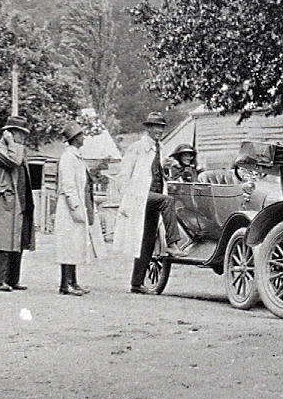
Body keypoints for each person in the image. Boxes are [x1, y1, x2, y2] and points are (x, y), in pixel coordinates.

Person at [113, 111, 185, 294]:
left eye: (161, 127)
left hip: (154, 197)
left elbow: (162, 175)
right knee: (168, 201)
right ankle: (173, 243)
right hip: (140, 197)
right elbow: (123, 174)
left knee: (147, 241)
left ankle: (136, 284)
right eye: (156, 127)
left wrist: (170, 169)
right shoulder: (137, 148)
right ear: (148, 129)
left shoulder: (161, 148)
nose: (159, 131)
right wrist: (126, 199)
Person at [0, 115, 35, 292]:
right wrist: (11, 143)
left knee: (19, 239)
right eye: (20, 133)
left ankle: (14, 279)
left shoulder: (17, 148)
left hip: (21, 198)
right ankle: (0, 280)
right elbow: (14, 162)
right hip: (6, 200)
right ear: (10, 133)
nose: (23, 137)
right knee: (5, 240)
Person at [53, 122, 100, 296]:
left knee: (74, 244)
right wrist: (75, 206)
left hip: (77, 205)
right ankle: (65, 285)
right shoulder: (68, 157)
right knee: (68, 245)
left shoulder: (77, 157)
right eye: (81, 135)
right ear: (74, 138)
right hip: (69, 207)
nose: (83, 138)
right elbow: (68, 185)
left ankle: (73, 281)